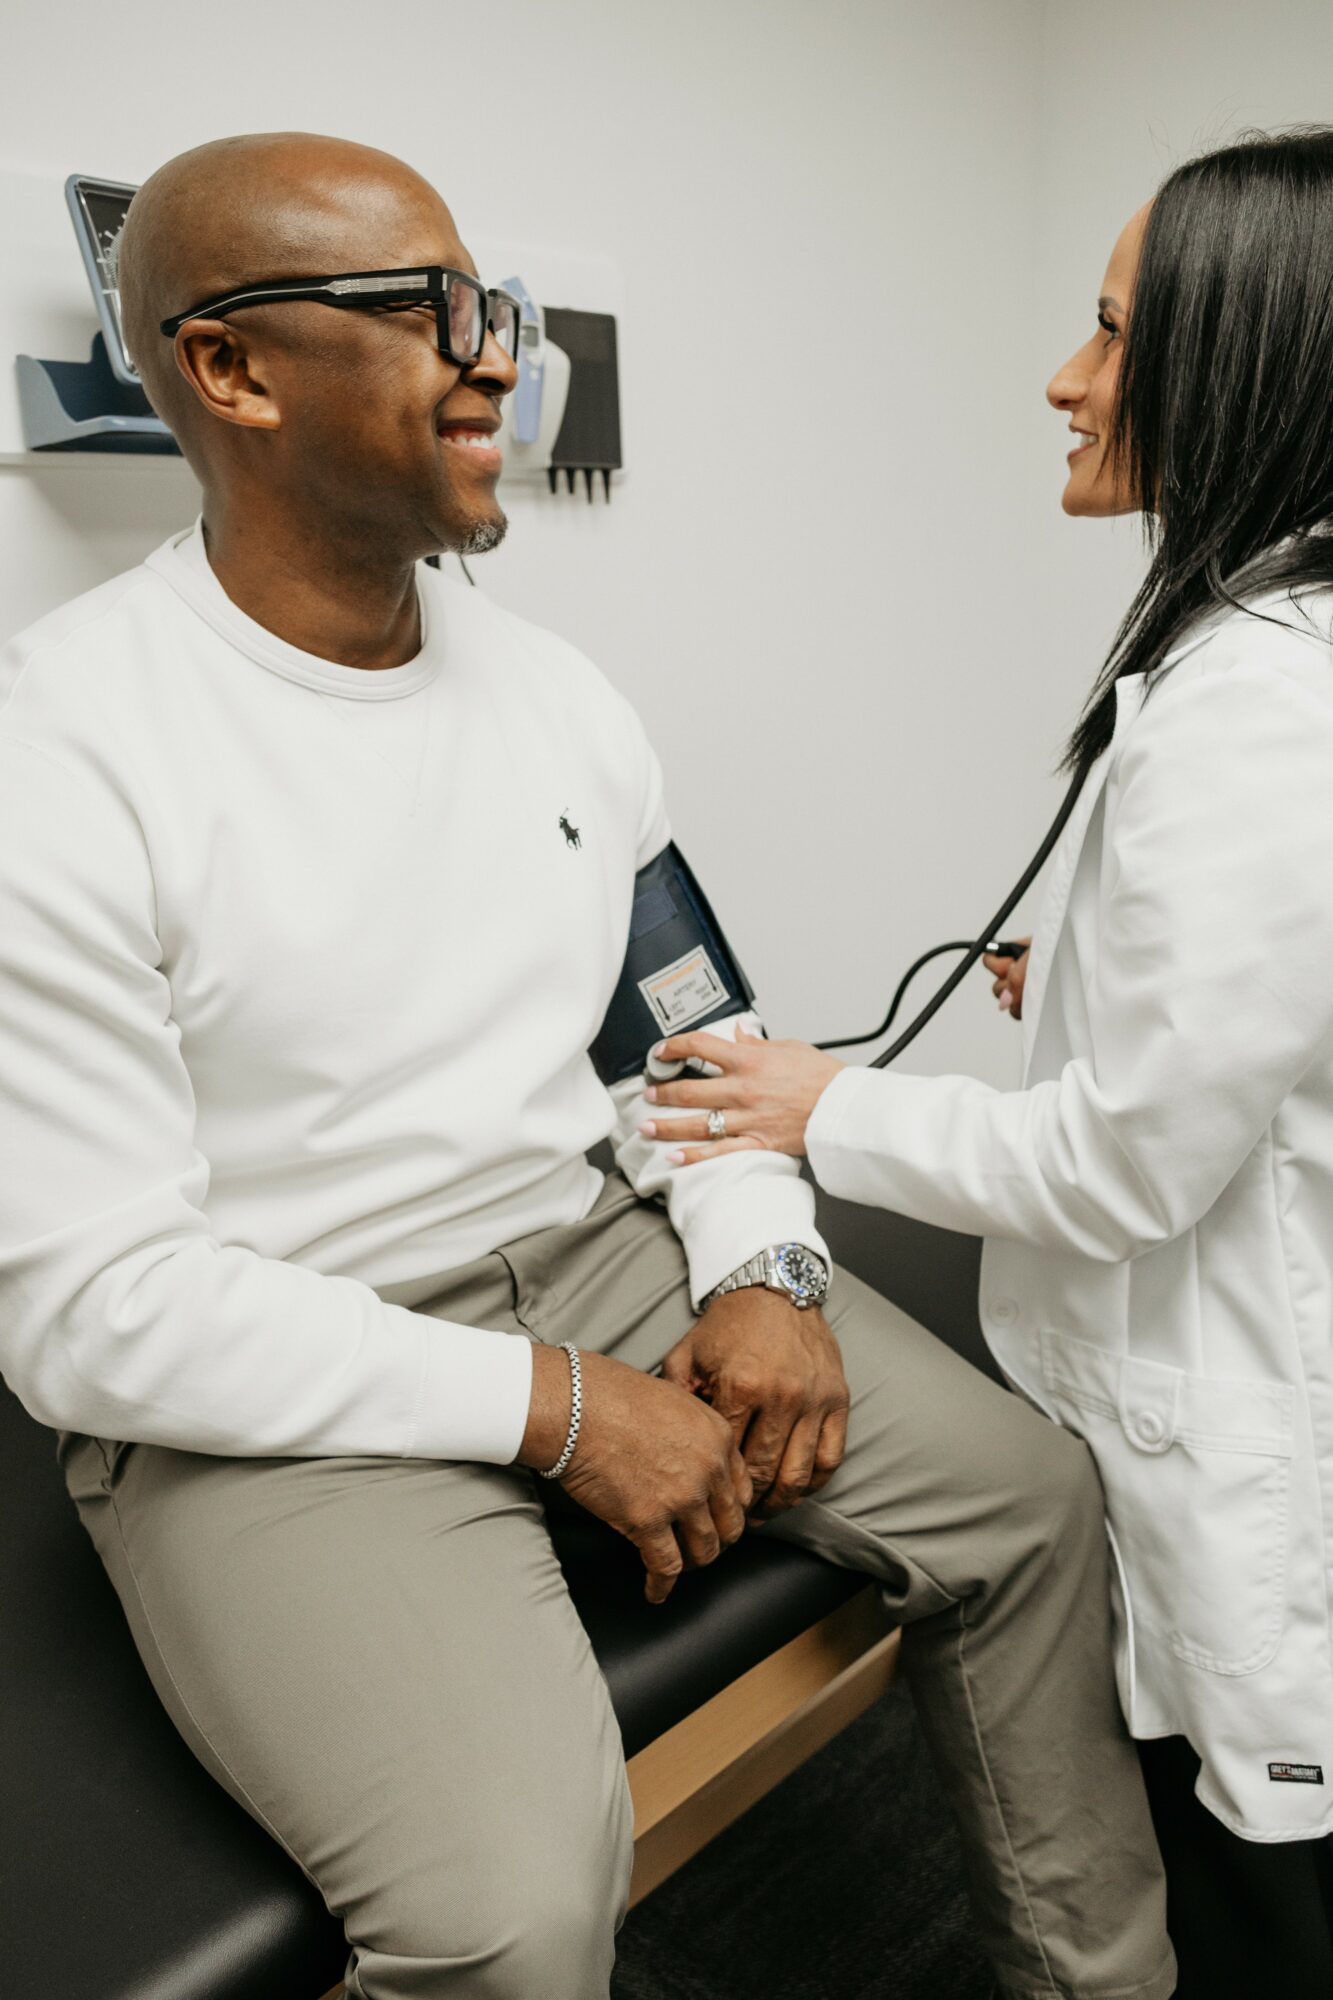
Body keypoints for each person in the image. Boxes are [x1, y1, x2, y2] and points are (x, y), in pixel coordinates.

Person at [0, 132, 1175, 2000]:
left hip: (590, 1252)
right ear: (228, 368)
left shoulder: (555, 697)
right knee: (508, 1918)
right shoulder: (63, 755)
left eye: (494, 306)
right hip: (270, 1364)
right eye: (428, 311)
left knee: (1032, 1511)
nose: (496, 356)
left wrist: (765, 1268)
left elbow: (694, 1040)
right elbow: (96, 1313)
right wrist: (553, 1410)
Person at [649, 127, 1333, 1999]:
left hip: (1245, 1441)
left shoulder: (1257, 706)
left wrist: (819, 1106)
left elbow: (1120, 1173)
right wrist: (1114, 977)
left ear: (1250, 362)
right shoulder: (1285, 655)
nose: (1062, 377)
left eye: (1111, 331)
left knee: (1265, 1917)